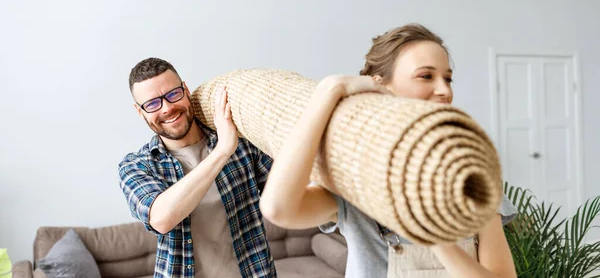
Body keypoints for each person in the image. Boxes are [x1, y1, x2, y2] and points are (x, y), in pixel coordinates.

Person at [259, 23, 518, 278]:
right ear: (381, 87)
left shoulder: (472, 176)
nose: (445, 91)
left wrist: (429, 234)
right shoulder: (358, 179)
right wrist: (328, 92)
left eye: (448, 78)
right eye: (426, 76)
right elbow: (278, 209)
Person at [118, 58, 276, 278]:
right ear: (140, 111)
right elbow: (162, 219)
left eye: (173, 94)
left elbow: (285, 193)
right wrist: (223, 151)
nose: (167, 108)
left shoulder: (242, 144)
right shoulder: (136, 166)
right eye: (152, 103)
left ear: (186, 90)